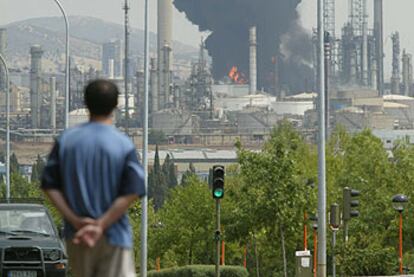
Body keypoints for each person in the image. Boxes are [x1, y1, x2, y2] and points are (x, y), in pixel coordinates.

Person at [41, 79, 145, 277]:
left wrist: (76, 221)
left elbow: (49, 185)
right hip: (115, 235)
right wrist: (101, 224)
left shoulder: (67, 141)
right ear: (115, 106)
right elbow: (134, 189)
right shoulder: (122, 143)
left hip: (78, 236)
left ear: (86, 104)